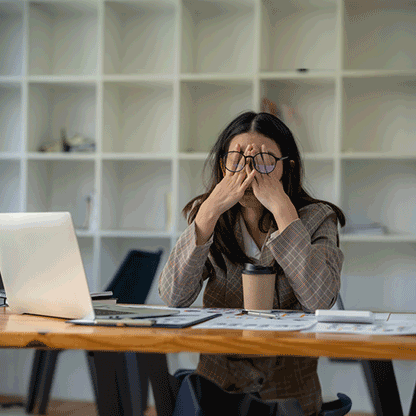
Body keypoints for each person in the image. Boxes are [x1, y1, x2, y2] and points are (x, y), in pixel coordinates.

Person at [159, 111, 345, 416]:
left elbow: (319, 299)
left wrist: (283, 209)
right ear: (223, 165)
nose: (249, 172)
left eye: (264, 160)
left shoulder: (318, 218)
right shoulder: (208, 216)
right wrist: (208, 212)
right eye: (238, 159)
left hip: (289, 395)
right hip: (217, 390)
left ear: (287, 167)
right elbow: (173, 295)